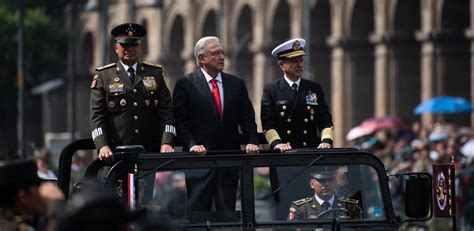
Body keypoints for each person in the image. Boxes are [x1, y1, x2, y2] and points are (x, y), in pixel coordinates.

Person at [173, 36, 259, 214]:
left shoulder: (236, 83)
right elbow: (181, 122)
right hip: (199, 160)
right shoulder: (186, 84)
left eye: (222, 53)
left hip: (229, 158)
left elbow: (248, 118)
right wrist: (191, 144)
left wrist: (252, 140)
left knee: (226, 211)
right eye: (215, 53)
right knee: (198, 211)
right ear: (201, 58)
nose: (221, 57)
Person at [260, 38, 335, 219]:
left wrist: (326, 140)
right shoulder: (272, 89)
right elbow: (268, 124)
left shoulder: (313, 88)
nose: (299, 64)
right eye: (294, 61)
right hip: (284, 162)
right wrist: (277, 143)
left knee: (313, 208)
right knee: (285, 209)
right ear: (282, 64)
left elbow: (325, 120)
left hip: (310, 158)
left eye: (301, 60)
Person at [90, 22, 176, 165]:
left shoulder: (154, 73)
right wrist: (102, 145)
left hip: (148, 153)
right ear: (116, 48)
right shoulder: (104, 76)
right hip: (115, 153)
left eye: (134, 45)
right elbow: (96, 116)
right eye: (125, 45)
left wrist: (167, 141)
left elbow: (167, 112)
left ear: (140, 47)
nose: (130, 49)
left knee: (145, 187)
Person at [0, 159, 65, 230]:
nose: (42, 193)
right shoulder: (10, 227)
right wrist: (56, 206)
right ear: (23, 196)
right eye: (38, 187)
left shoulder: (11, 220)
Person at [288, 167, 362, 220]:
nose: (327, 184)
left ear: (336, 183)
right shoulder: (301, 208)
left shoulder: (350, 207)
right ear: (312, 184)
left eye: (330, 180)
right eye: (321, 180)